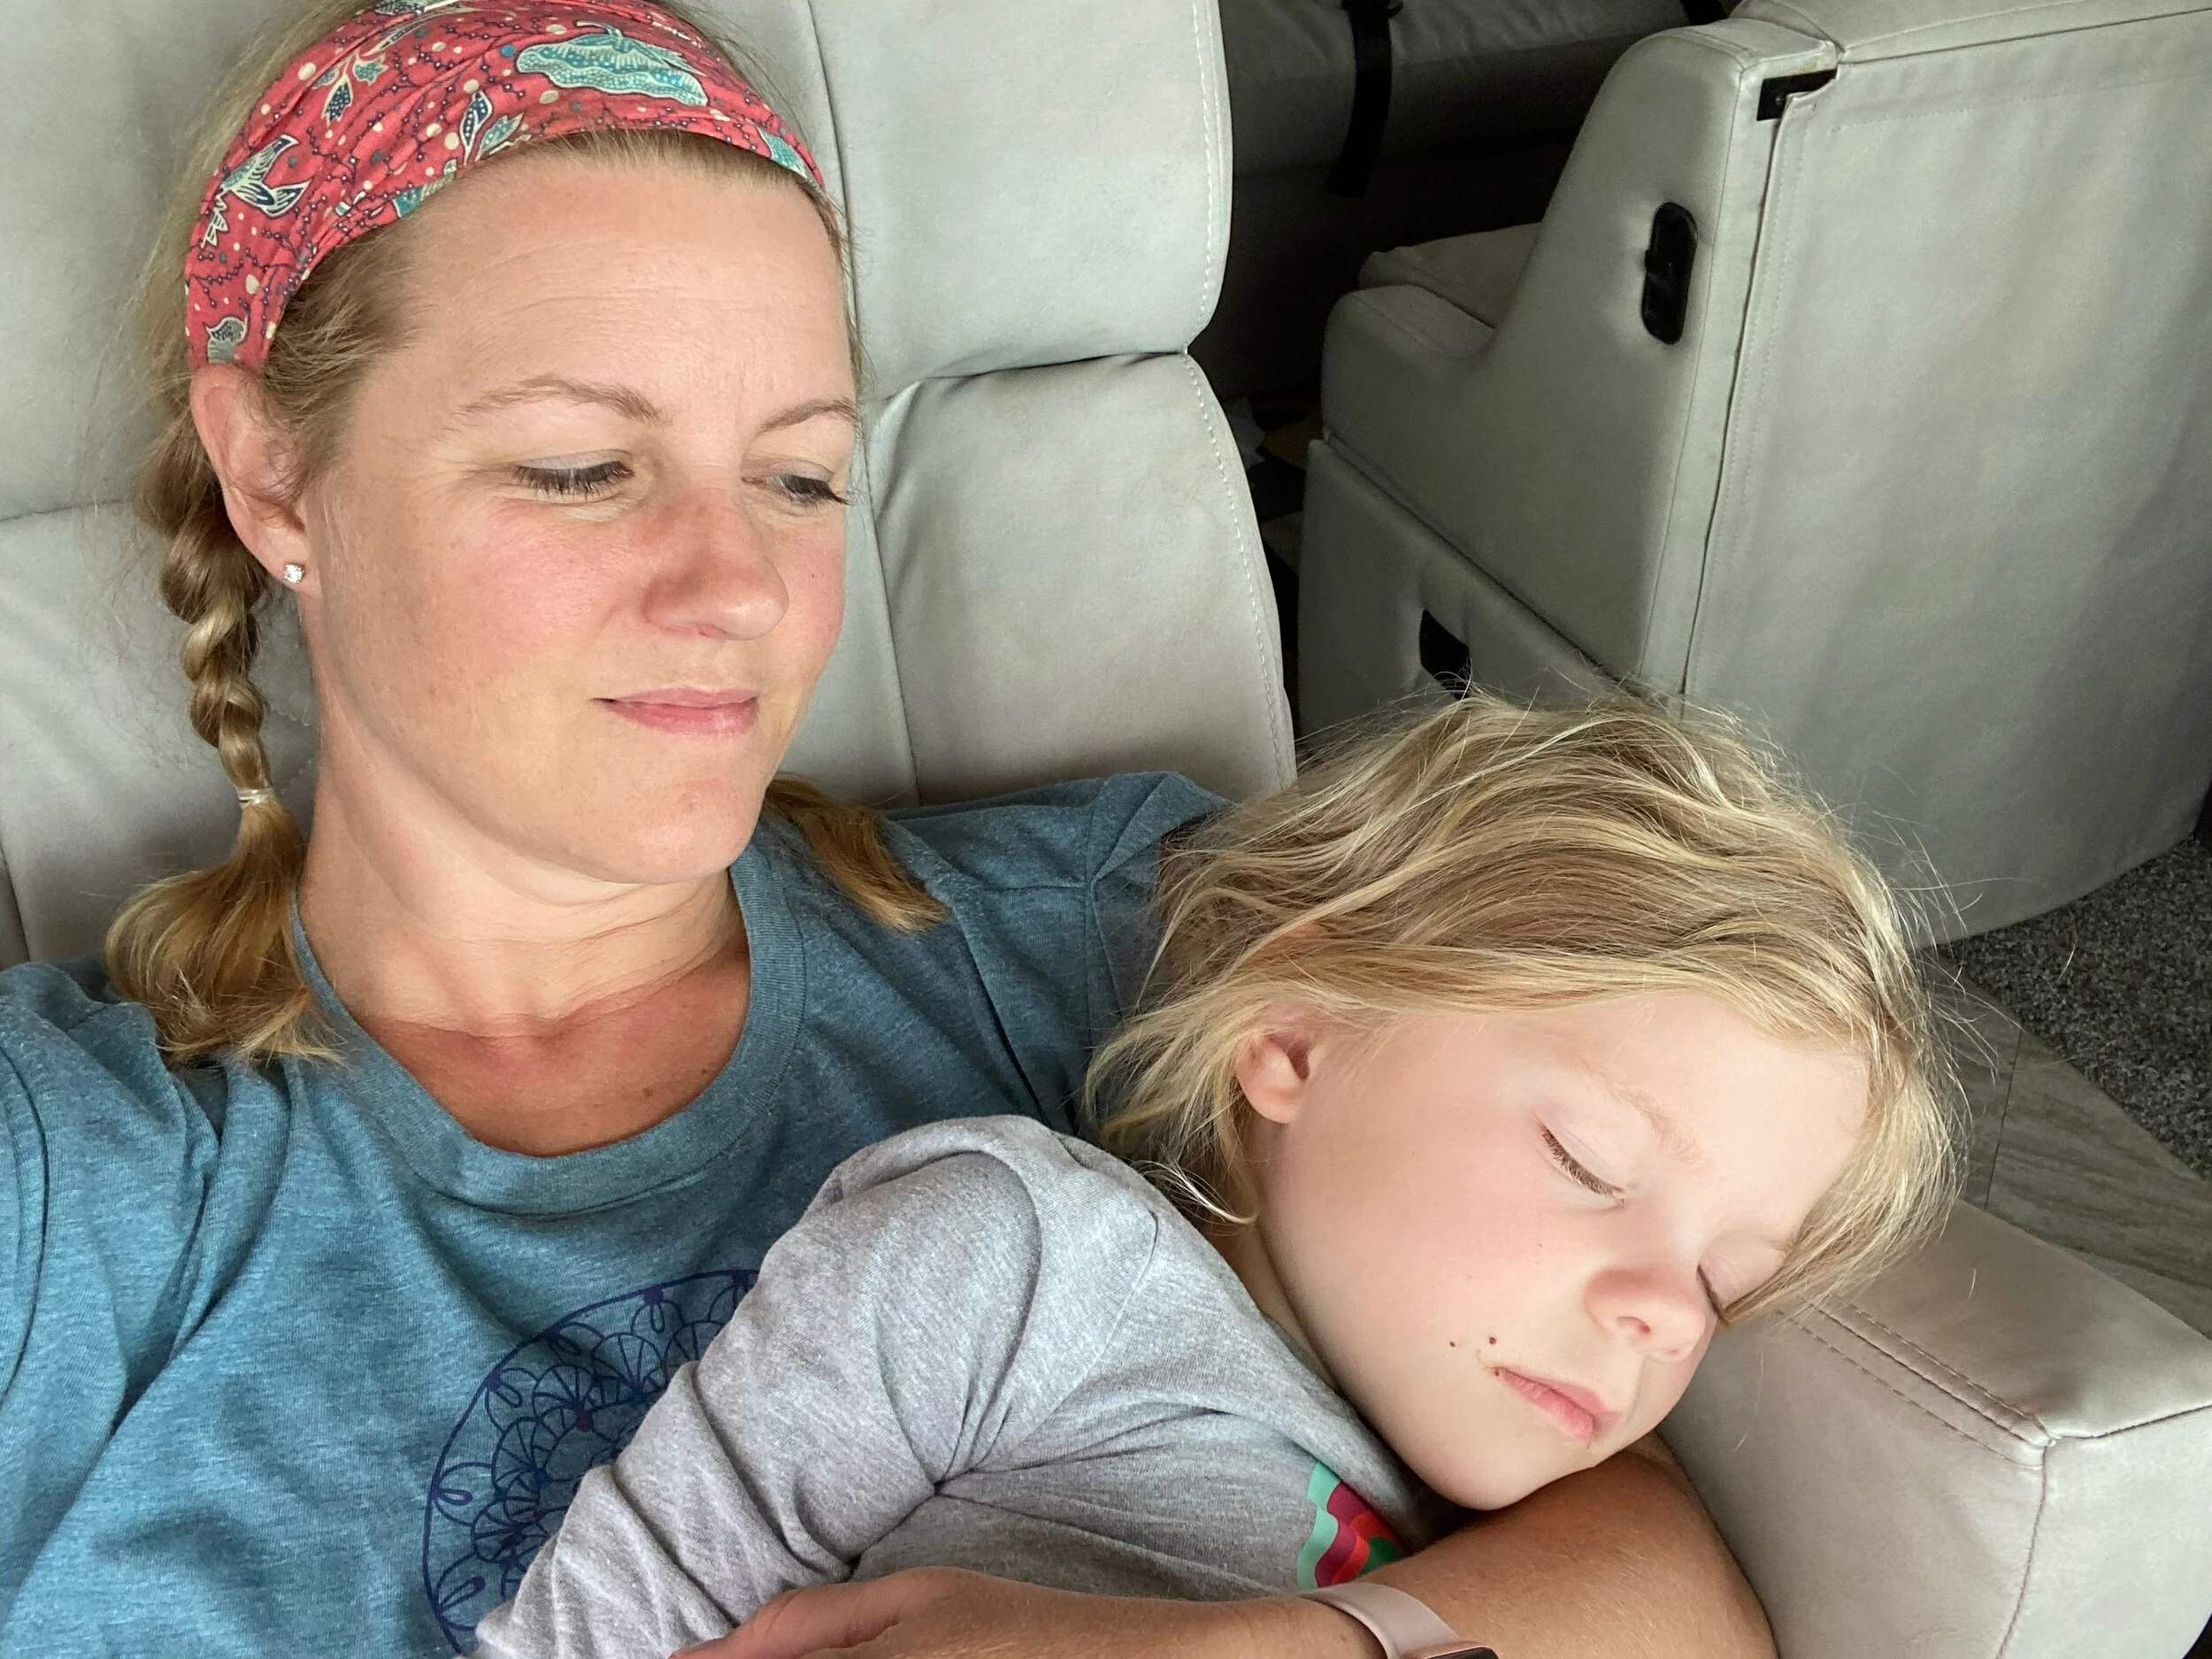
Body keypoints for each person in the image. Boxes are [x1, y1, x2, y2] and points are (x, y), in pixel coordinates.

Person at [0, 1, 1798, 1654]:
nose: (735, 584)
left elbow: (1650, 1565)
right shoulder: (63, 1165)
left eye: (797, 476)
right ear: (274, 474)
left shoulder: (1104, 931)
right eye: (581, 466)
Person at [472, 695, 1960, 1659]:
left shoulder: (1500, 1486)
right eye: (1590, 1160)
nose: (1668, 1318)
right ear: (1295, 1032)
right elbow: (605, 1618)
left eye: (1726, 1284)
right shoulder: (1017, 1261)